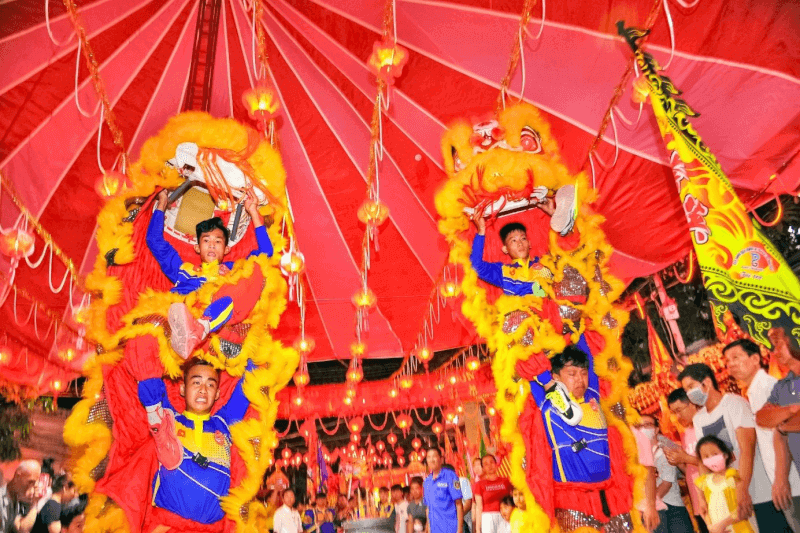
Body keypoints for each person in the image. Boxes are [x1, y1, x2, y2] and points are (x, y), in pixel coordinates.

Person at [146, 188, 272, 358]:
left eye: (218, 241)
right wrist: (162, 202)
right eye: (206, 240)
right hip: (179, 325)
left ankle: (199, 330)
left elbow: (265, 253)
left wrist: (253, 211)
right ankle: (189, 332)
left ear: (226, 249)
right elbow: (154, 241)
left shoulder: (231, 270)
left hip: (215, 331)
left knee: (254, 270)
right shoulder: (184, 271)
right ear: (197, 248)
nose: (212, 245)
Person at [137, 356, 256, 529]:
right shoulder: (169, 419)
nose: (203, 390)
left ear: (217, 394)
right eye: (196, 382)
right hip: (168, 526)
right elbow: (148, 373)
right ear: (183, 389)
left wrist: (251, 350)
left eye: (210, 384)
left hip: (212, 529)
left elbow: (249, 381)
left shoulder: (224, 423)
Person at [533, 345, 636, 532]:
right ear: (556, 377)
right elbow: (530, 364)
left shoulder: (593, 396)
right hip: (571, 502)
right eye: (572, 374)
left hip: (609, 498)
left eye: (583, 373)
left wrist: (575, 330)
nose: (580, 379)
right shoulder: (546, 403)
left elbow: (585, 345)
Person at [679, 363, 771, 531]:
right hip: (727, 497)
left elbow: (747, 449)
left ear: (707, 382)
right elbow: (703, 460)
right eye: (686, 390)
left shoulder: (734, 404)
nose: (689, 393)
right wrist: (703, 497)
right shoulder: (699, 419)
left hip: (756, 489)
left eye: (691, 387)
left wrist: (742, 489)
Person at [725, 338, 800, 531]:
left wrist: (781, 479)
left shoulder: (768, 387)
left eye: (736, 357)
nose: (731, 364)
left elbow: (784, 433)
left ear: (755, 359)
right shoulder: (754, 391)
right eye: (727, 361)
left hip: (792, 481)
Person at [637, 415, 694, 533]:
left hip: (672, 506)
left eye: (647, 425)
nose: (643, 428)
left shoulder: (664, 450)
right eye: (640, 426)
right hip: (654, 507)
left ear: (656, 429)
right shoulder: (637, 454)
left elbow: (666, 484)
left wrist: (650, 504)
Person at [665, 388, 709, 533]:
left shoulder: (707, 426)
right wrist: (678, 461)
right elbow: (689, 470)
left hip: (714, 496)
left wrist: (685, 458)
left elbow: (717, 461)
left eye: (679, 410)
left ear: (692, 403)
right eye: (674, 412)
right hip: (698, 501)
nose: (677, 416)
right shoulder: (686, 434)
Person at [694, 436, 754, 533]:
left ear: (725, 455)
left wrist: (722, 525)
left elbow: (744, 510)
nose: (711, 459)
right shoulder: (703, 482)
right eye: (706, 457)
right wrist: (711, 527)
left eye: (715, 454)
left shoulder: (734, 476)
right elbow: (704, 510)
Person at [423, 447, 464, 533]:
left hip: (451, 529)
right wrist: (429, 530)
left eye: (434, 456)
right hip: (435, 530)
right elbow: (428, 508)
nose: (431, 460)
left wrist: (459, 529)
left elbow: (459, 504)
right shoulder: (427, 482)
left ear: (441, 459)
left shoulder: (451, 476)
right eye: (429, 457)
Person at [473, 455, 512, 533]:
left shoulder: (506, 481)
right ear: (483, 468)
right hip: (488, 518)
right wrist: (477, 529)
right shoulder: (479, 485)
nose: (490, 466)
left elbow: (512, 500)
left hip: (505, 516)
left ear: (496, 464)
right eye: (486, 464)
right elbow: (479, 507)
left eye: (492, 462)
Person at [1, 460, 41, 533]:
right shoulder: (1, 497)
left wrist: (34, 503)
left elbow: (21, 529)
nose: (32, 487)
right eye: (30, 482)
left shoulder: (16, 498)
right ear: (17, 476)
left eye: (34, 483)